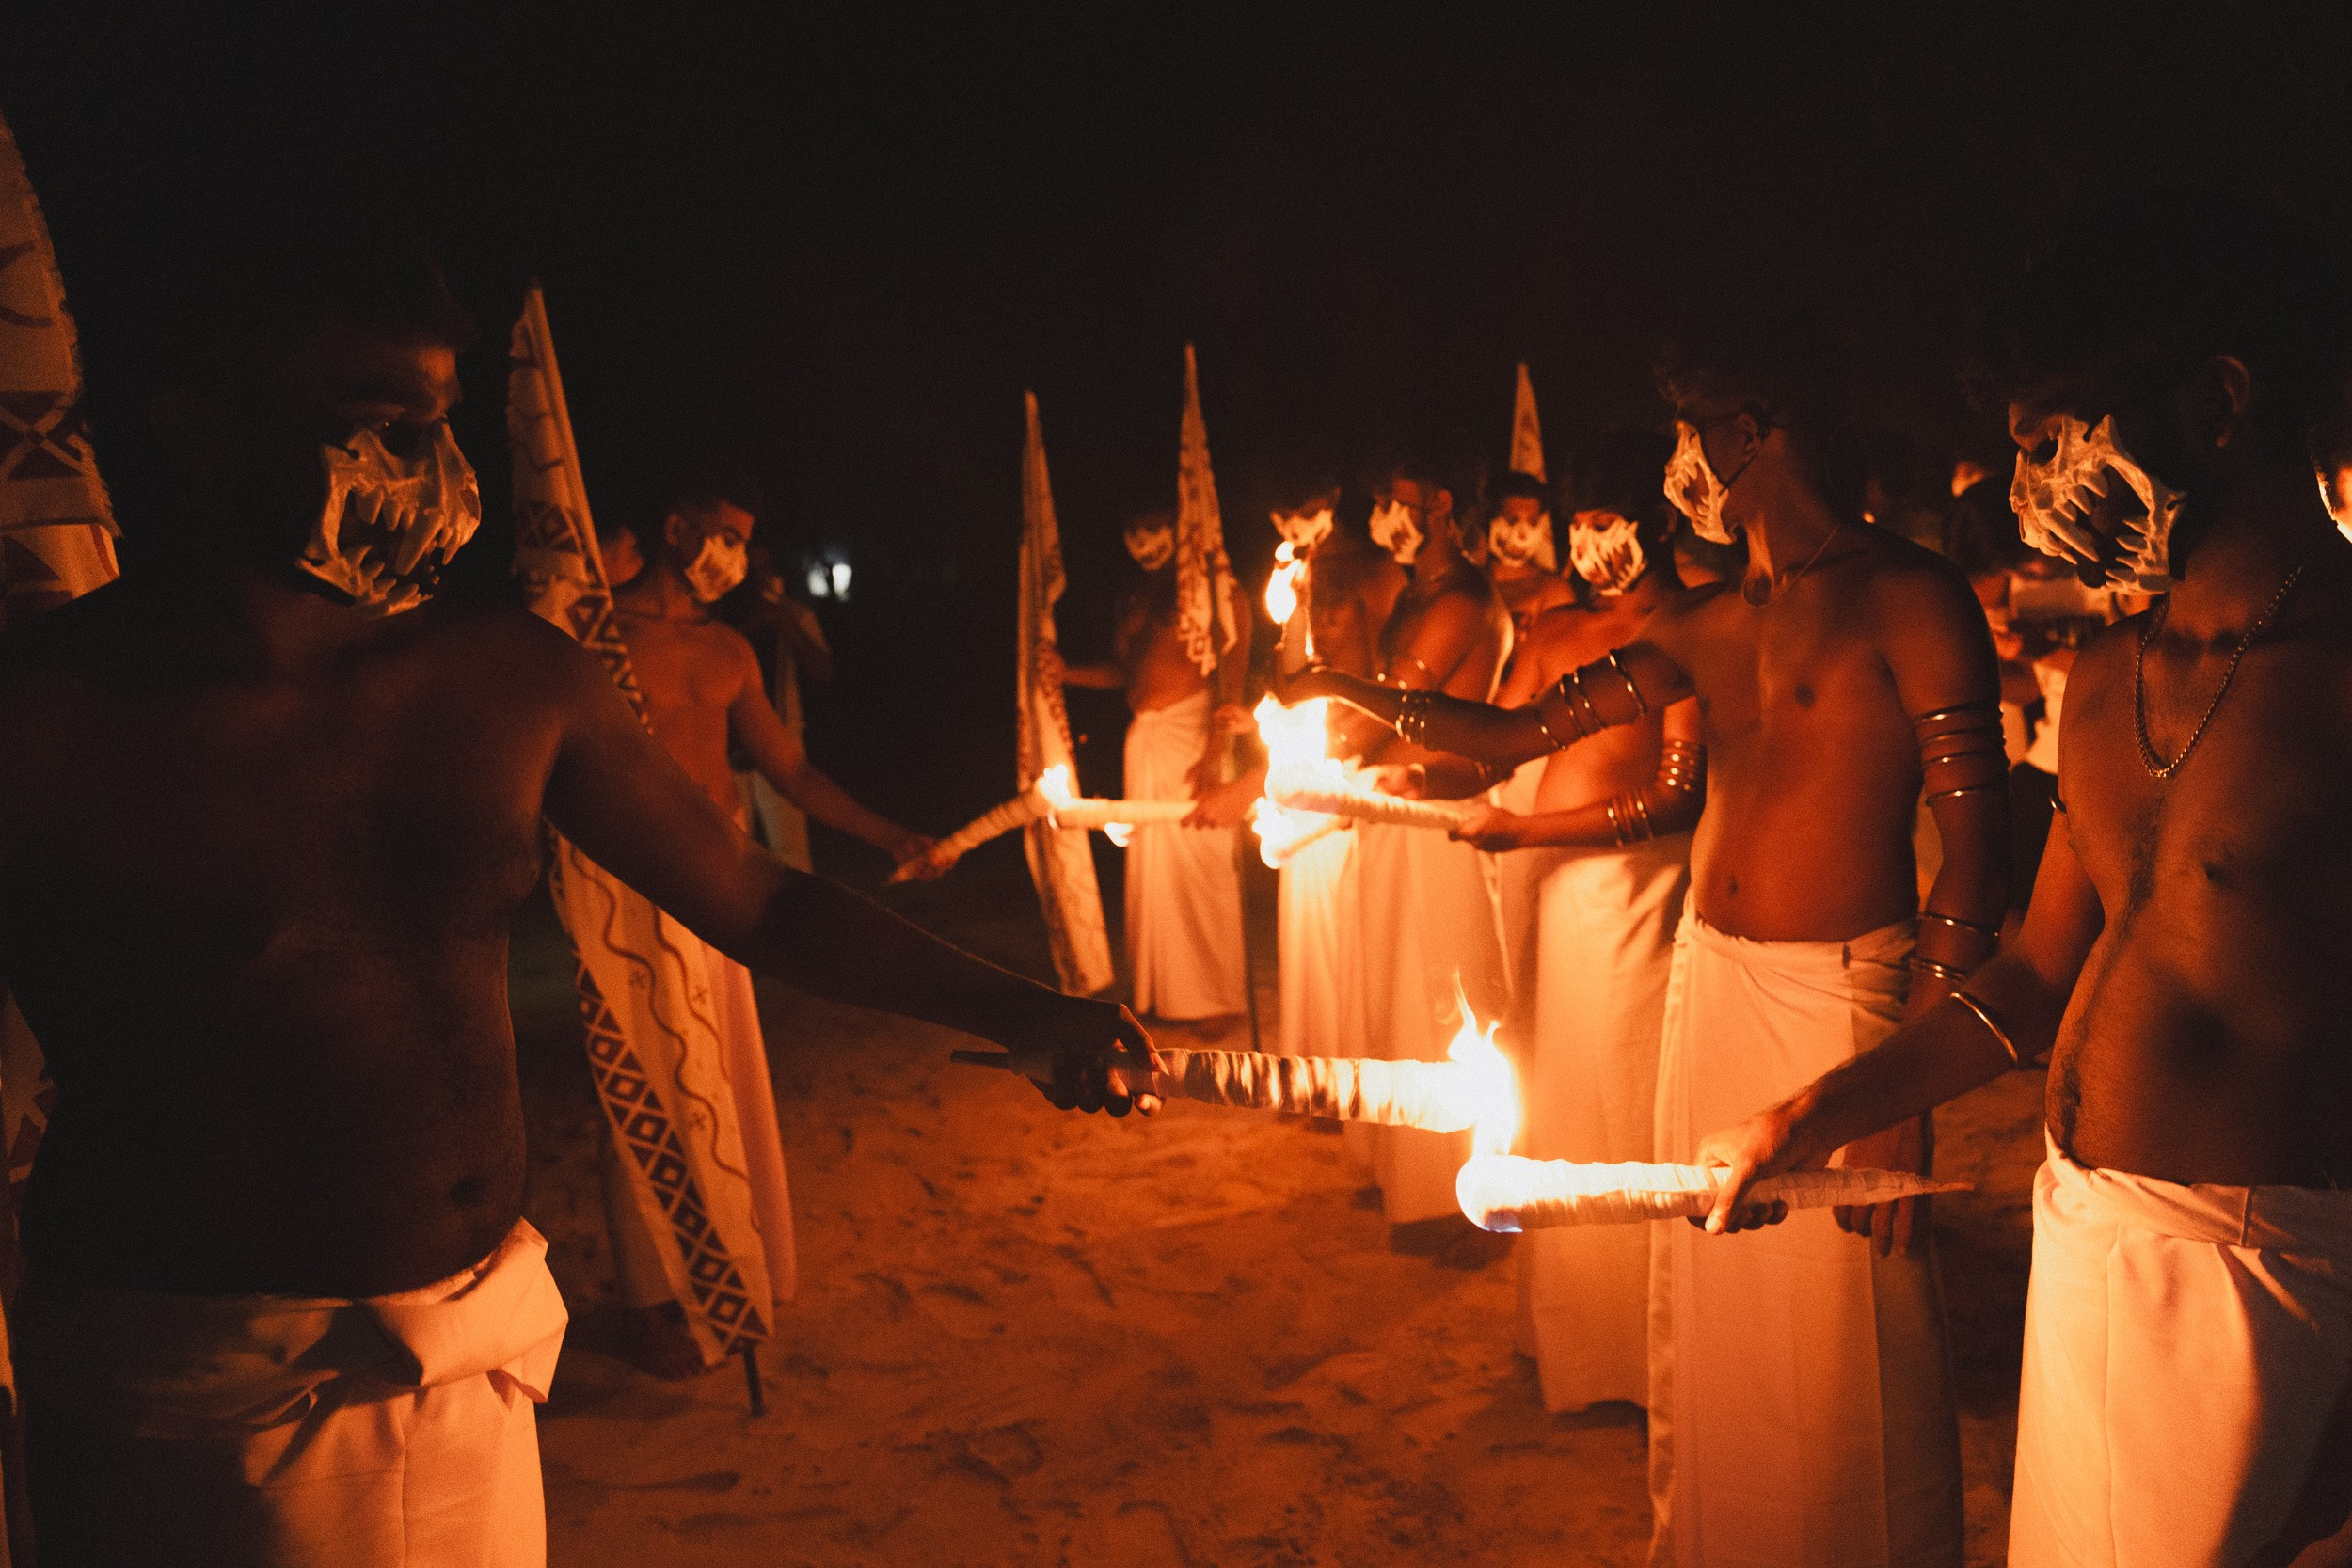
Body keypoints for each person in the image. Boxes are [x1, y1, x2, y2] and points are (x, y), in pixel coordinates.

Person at [0, 224, 1151, 1566]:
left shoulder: (504, 674)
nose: (425, 477)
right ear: (199, 430)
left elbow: (754, 897)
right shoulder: (53, 717)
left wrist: (1024, 1006)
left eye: (436, 425)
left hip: (479, 1342)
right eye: (370, 425)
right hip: (194, 1386)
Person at [1285, 302, 2006, 1564]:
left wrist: (1916, 1075)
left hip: (1848, 1000)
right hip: (1706, 983)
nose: (1682, 463)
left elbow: (1974, 852)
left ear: (1757, 430)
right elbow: (1515, 739)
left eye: (1693, 432)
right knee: (1717, 1311)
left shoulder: (1910, 595)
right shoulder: (1702, 622)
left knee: (1846, 1343)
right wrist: (1345, 692)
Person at [1701, 192, 2352, 1568]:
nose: (2026, 492)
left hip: (2262, 1287)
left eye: (2055, 441)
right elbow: (2037, 975)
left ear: (2221, 402)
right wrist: (1825, 1105)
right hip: (2083, 1235)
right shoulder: (2109, 677)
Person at [599, 476, 939, 1376]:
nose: (735, 555)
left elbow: (788, 767)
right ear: (676, 527)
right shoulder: (594, 638)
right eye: (723, 534)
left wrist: (887, 831)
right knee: (642, 1075)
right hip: (630, 885)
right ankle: (645, 1297)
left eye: (747, 541)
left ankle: (737, 1254)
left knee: (725, 1073)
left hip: (720, 879)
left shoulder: (726, 650)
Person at [1440, 428, 1698, 1414]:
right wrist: (1384, 765)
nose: (1589, 544)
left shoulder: (1685, 629)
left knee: (1618, 1103)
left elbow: (1678, 794)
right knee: (1553, 1099)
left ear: (1655, 521)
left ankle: (1633, 1354)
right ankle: (1567, 1336)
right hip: (1542, 888)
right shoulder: (1549, 633)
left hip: (1634, 894)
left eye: (1606, 522)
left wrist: (1529, 827)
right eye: (1578, 524)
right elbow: (1487, 747)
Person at [1349, 451, 1513, 1230]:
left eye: (1399, 496)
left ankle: (1457, 1198)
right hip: (1390, 812)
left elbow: (1394, 708)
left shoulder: (1462, 599)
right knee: (1392, 991)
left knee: (1443, 1002)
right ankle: (1410, 1184)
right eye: (1381, 497)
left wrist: (1277, 773)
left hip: (1436, 816)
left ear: (1443, 501)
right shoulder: (1413, 593)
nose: (1385, 512)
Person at [1193, 477, 1406, 1069]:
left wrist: (1267, 777)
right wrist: (1262, 719)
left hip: (1353, 767)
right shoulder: (1294, 572)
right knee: (1306, 929)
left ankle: (1350, 1073)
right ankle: (1311, 1071)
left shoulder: (1376, 571)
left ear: (1335, 499)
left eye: (1306, 510)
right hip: (1301, 760)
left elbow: (1389, 688)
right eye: (1282, 514)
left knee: (1345, 931)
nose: (1293, 527)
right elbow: (1294, 674)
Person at [1057, 507, 1249, 1033]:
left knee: (1200, 868)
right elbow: (1126, 673)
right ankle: (1164, 993)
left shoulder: (1215, 590)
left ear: (1179, 523)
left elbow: (1230, 681)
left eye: (1153, 527)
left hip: (1193, 737)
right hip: (1145, 740)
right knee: (1155, 875)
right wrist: (1065, 672)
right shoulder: (1139, 597)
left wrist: (1213, 755)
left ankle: (1217, 999)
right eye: (1132, 531)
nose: (1143, 542)